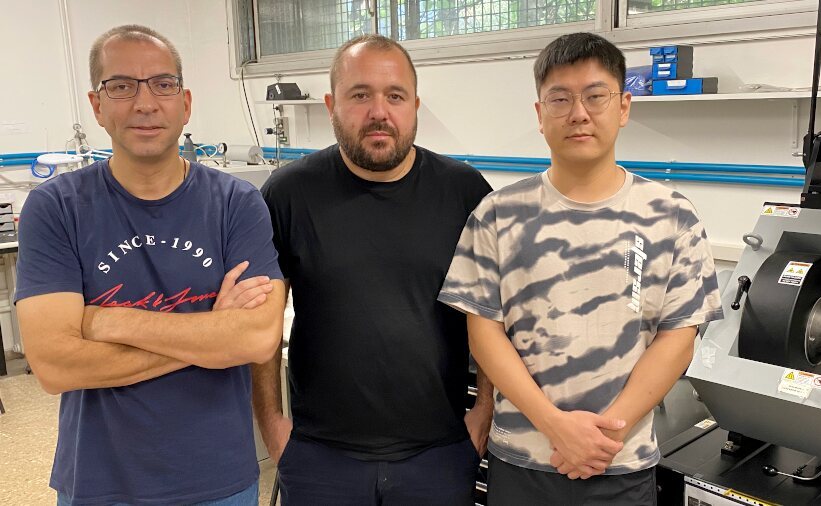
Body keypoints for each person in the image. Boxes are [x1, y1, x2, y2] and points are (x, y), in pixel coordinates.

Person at [438, 32, 723, 505]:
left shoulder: (672, 215)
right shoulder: (497, 214)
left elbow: (678, 338)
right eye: (560, 99)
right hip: (522, 463)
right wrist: (555, 426)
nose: (579, 114)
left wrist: (604, 435)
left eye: (596, 96)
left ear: (624, 106)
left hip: (621, 463)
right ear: (539, 114)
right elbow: (484, 332)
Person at [15, 25, 285, 505]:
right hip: (101, 481)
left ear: (185, 103)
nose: (145, 102)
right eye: (121, 85)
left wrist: (107, 321)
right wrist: (212, 333)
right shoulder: (55, 207)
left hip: (218, 479)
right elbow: (53, 365)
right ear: (97, 106)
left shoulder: (236, 203)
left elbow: (257, 338)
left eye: (162, 84)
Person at [253, 34, 494, 505]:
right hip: (320, 457)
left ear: (416, 105)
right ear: (331, 104)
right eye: (360, 95)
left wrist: (484, 409)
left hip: (439, 453)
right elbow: (262, 324)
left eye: (395, 96)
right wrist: (272, 426)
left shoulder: (465, 192)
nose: (379, 111)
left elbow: (489, 312)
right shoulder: (288, 194)